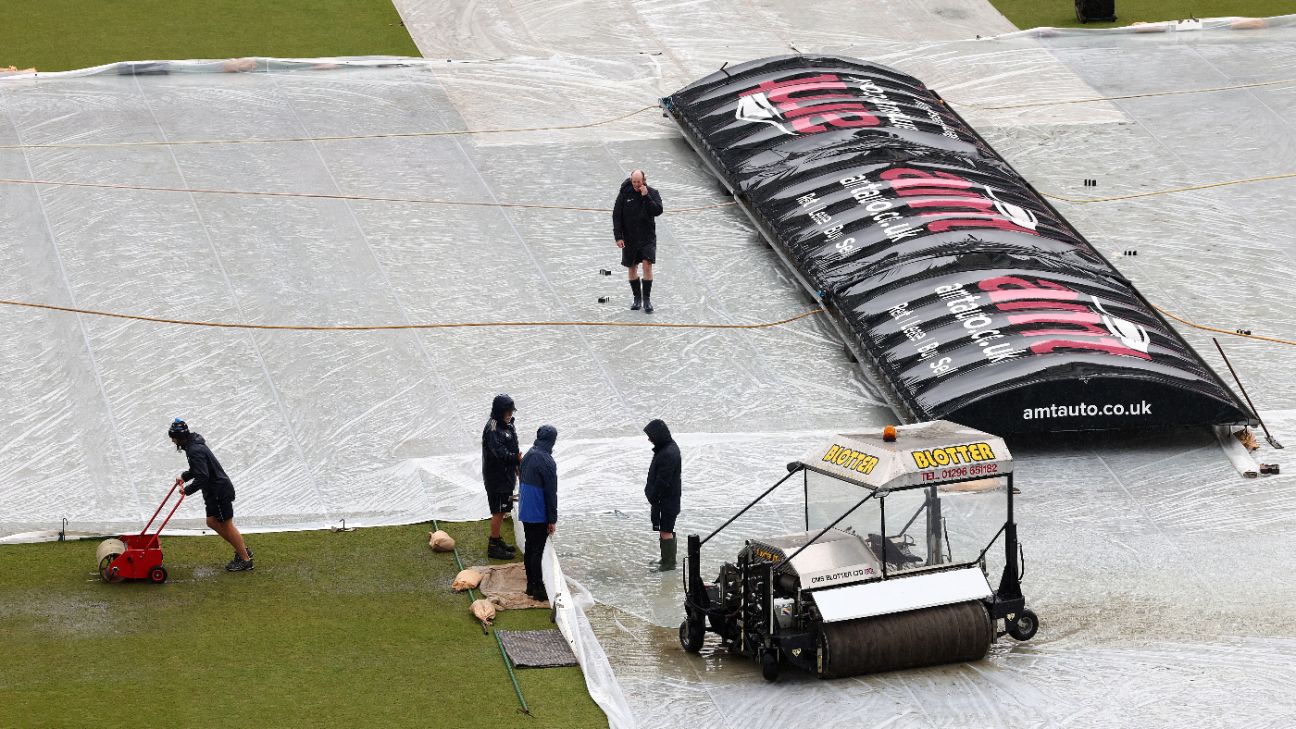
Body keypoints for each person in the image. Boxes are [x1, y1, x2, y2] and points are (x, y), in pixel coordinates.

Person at [169, 418, 253, 572]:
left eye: (173, 438)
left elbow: (203, 476)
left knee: (227, 524)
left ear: (180, 437)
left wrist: (187, 490)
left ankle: (245, 559)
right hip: (212, 491)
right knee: (211, 522)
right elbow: (198, 469)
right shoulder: (192, 445)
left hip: (218, 491)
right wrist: (184, 477)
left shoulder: (194, 449)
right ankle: (242, 549)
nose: (173, 441)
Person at [612, 169, 664, 313]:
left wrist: (646, 197)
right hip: (629, 237)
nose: (636, 184)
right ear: (631, 180)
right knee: (632, 266)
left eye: (638, 182)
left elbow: (658, 211)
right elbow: (617, 215)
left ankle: (646, 300)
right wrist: (618, 237)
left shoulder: (652, 193)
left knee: (647, 265)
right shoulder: (624, 194)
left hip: (647, 237)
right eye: (634, 181)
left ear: (644, 180)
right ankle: (637, 298)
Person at [518, 425, 558, 602]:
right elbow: (551, 493)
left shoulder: (528, 455)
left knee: (529, 547)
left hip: (525, 510)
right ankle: (538, 588)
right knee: (537, 551)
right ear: (552, 441)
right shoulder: (547, 461)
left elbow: (520, 476)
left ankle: (530, 585)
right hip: (538, 512)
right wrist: (552, 519)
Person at [482, 394, 521, 560]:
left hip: (507, 475)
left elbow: (513, 447)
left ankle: (497, 540)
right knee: (498, 511)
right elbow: (500, 453)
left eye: (511, 411)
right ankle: (493, 545)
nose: (510, 414)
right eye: (507, 411)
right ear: (500, 411)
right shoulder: (492, 429)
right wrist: (516, 459)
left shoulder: (508, 425)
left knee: (504, 508)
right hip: (496, 478)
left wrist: (517, 467)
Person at [643, 419, 681, 571]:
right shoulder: (666, 449)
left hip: (666, 499)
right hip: (666, 498)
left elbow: (662, 481)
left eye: (651, 435)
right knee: (666, 529)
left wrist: (653, 495)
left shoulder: (668, 453)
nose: (649, 439)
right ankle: (666, 559)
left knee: (666, 529)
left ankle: (668, 563)